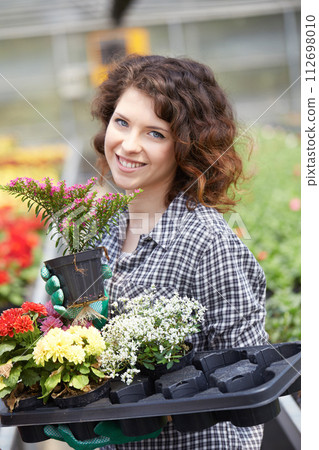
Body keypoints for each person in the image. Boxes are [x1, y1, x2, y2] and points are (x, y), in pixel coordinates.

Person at [46, 54, 268, 449]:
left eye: (156, 134)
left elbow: (250, 370)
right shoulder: (104, 226)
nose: (128, 145)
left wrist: (158, 411)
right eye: (122, 122)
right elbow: (101, 349)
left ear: (186, 148)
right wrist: (76, 320)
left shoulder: (205, 239)